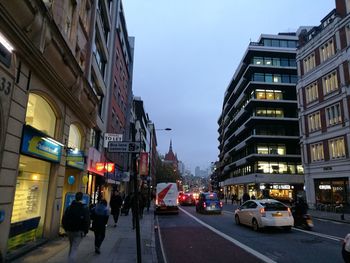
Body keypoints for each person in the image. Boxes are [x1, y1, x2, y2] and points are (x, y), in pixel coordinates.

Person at [62, 192, 90, 263]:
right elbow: (87, 221)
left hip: (69, 230)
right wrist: (85, 231)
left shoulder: (69, 207)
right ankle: (71, 261)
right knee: (74, 248)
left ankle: (69, 259)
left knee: (71, 246)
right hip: (79, 231)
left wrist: (65, 228)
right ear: (82, 198)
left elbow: (64, 218)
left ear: (75, 197)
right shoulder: (84, 208)